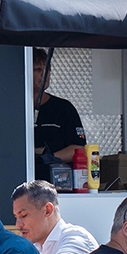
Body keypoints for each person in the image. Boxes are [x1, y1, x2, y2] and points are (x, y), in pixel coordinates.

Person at [32, 47, 85, 184]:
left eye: (47, 69)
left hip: (58, 185)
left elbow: (79, 149)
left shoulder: (64, 108)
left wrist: (50, 158)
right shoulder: (12, 110)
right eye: (38, 69)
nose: (44, 74)